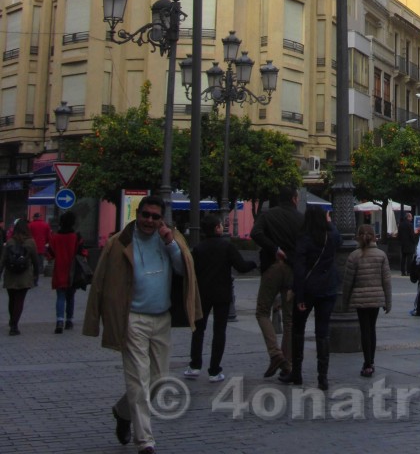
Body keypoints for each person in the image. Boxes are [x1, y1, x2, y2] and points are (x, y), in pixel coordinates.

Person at [83, 194, 200, 454]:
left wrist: (171, 244)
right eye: (145, 215)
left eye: (155, 217)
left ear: (162, 219)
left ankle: (123, 412)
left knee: (159, 380)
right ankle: (145, 440)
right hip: (132, 319)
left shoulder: (171, 238)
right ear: (138, 214)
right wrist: (94, 321)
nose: (149, 220)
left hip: (162, 318)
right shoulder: (118, 243)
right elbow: (100, 282)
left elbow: (184, 271)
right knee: (138, 380)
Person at [185, 213, 256, 382]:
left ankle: (195, 366)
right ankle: (214, 370)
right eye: (220, 225)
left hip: (202, 294)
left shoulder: (198, 248)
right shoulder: (226, 247)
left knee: (198, 331)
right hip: (222, 295)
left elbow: (191, 272)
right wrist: (255, 263)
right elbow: (242, 266)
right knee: (219, 332)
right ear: (216, 228)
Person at [250, 185, 303, 379]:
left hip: (272, 265)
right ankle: (287, 364)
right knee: (290, 319)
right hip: (292, 269)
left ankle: (275, 354)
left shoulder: (268, 215)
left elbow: (255, 233)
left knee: (262, 311)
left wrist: (274, 248)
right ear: (294, 199)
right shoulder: (301, 218)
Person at [289, 206, 341, 389]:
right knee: (322, 332)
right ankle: (323, 377)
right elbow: (339, 239)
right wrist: (329, 223)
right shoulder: (331, 236)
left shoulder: (305, 238)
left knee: (298, 329)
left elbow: (299, 268)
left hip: (309, 290)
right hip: (328, 289)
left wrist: (300, 295)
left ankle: (297, 372)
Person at [343, 223, 392, 377]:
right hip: (376, 298)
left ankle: (367, 363)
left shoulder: (354, 256)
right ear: (374, 236)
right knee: (372, 328)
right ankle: (371, 362)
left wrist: (345, 301)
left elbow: (347, 281)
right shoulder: (381, 255)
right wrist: (387, 302)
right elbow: (387, 281)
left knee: (365, 330)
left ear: (358, 236)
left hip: (360, 298)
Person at [46, 210, 87, 333]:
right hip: (73, 271)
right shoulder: (76, 237)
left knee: (60, 296)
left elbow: (50, 254)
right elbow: (82, 253)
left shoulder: (55, 237)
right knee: (71, 296)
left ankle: (59, 321)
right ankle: (69, 320)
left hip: (59, 269)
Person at [2, 217, 38, 335]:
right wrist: (36, 274)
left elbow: (3, 259)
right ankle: (14, 325)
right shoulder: (30, 242)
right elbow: (35, 260)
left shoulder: (10, 241)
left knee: (12, 299)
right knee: (19, 300)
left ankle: (12, 321)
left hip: (10, 275)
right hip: (24, 275)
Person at [29, 212, 52, 281]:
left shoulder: (30, 225)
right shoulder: (46, 225)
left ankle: (31, 273)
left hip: (31, 246)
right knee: (40, 260)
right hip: (41, 246)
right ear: (40, 217)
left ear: (34, 217)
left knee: (31, 260)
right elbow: (49, 236)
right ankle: (39, 272)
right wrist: (47, 243)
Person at [397, 212, 416, 277]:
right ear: (408, 217)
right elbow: (412, 235)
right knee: (409, 259)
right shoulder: (410, 225)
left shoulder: (401, 224)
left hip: (403, 244)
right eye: (411, 217)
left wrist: (400, 241)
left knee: (403, 258)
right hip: (409, 244)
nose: (412, 218)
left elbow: (399, 235)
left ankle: (402, 271)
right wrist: (414, 241)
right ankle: (409, 271)